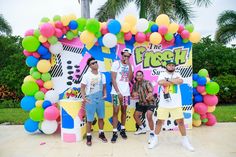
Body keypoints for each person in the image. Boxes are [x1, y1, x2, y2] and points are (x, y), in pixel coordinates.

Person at [148, 60, 194, 151]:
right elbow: (161, 82)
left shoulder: (178, 73)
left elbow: (180, 81)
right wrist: (173, 81)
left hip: (176, 104)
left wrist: (168, 80)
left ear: (174, 67)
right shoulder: (162, 74)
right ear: (166, 66)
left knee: (180, 122)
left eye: (173, 65)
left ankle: (185, 140)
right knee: (159, 122)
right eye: (169, 65)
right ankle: (155, 139)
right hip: (164, 104)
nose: (171, 67)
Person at [81, 57, 107, 146]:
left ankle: (101, 134)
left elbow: (104, 87)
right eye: (92, 63)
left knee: (101, 118)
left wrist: (105, 94)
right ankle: (89, 137)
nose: (95, 64)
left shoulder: (102, 75)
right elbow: (82, 88)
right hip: (90, 100)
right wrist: (84, 98)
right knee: (89, 120)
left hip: (100, 99)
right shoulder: (86, 75)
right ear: (89, 66)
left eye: (95, 62)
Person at [110, 48, 133, 143]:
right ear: (122, 55)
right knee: (115, 111)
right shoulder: (116, 64)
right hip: (116, 92)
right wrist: (118, 92)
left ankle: (122, 130)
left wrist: (129, 66)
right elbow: (113, 79)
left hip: (126, 93)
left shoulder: (130, 66)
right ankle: (115, 132)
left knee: (124, 111)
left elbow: (130, 79)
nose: (126, 57)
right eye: (124, 55)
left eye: (128, 56)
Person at [132, 70, 156, 144]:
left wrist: (149, 95)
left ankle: (152, 133)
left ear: (143, 76)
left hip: (150, 102)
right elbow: (133, 93)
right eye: (137, 75)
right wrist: (134, 94)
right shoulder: (135, 84)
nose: (139, 76)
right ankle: (142, 128)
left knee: (149, 116)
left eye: (140, 75)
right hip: (141, 103)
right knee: (135, 115)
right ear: (136, 77)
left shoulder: (147, 83)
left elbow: (151, 91)